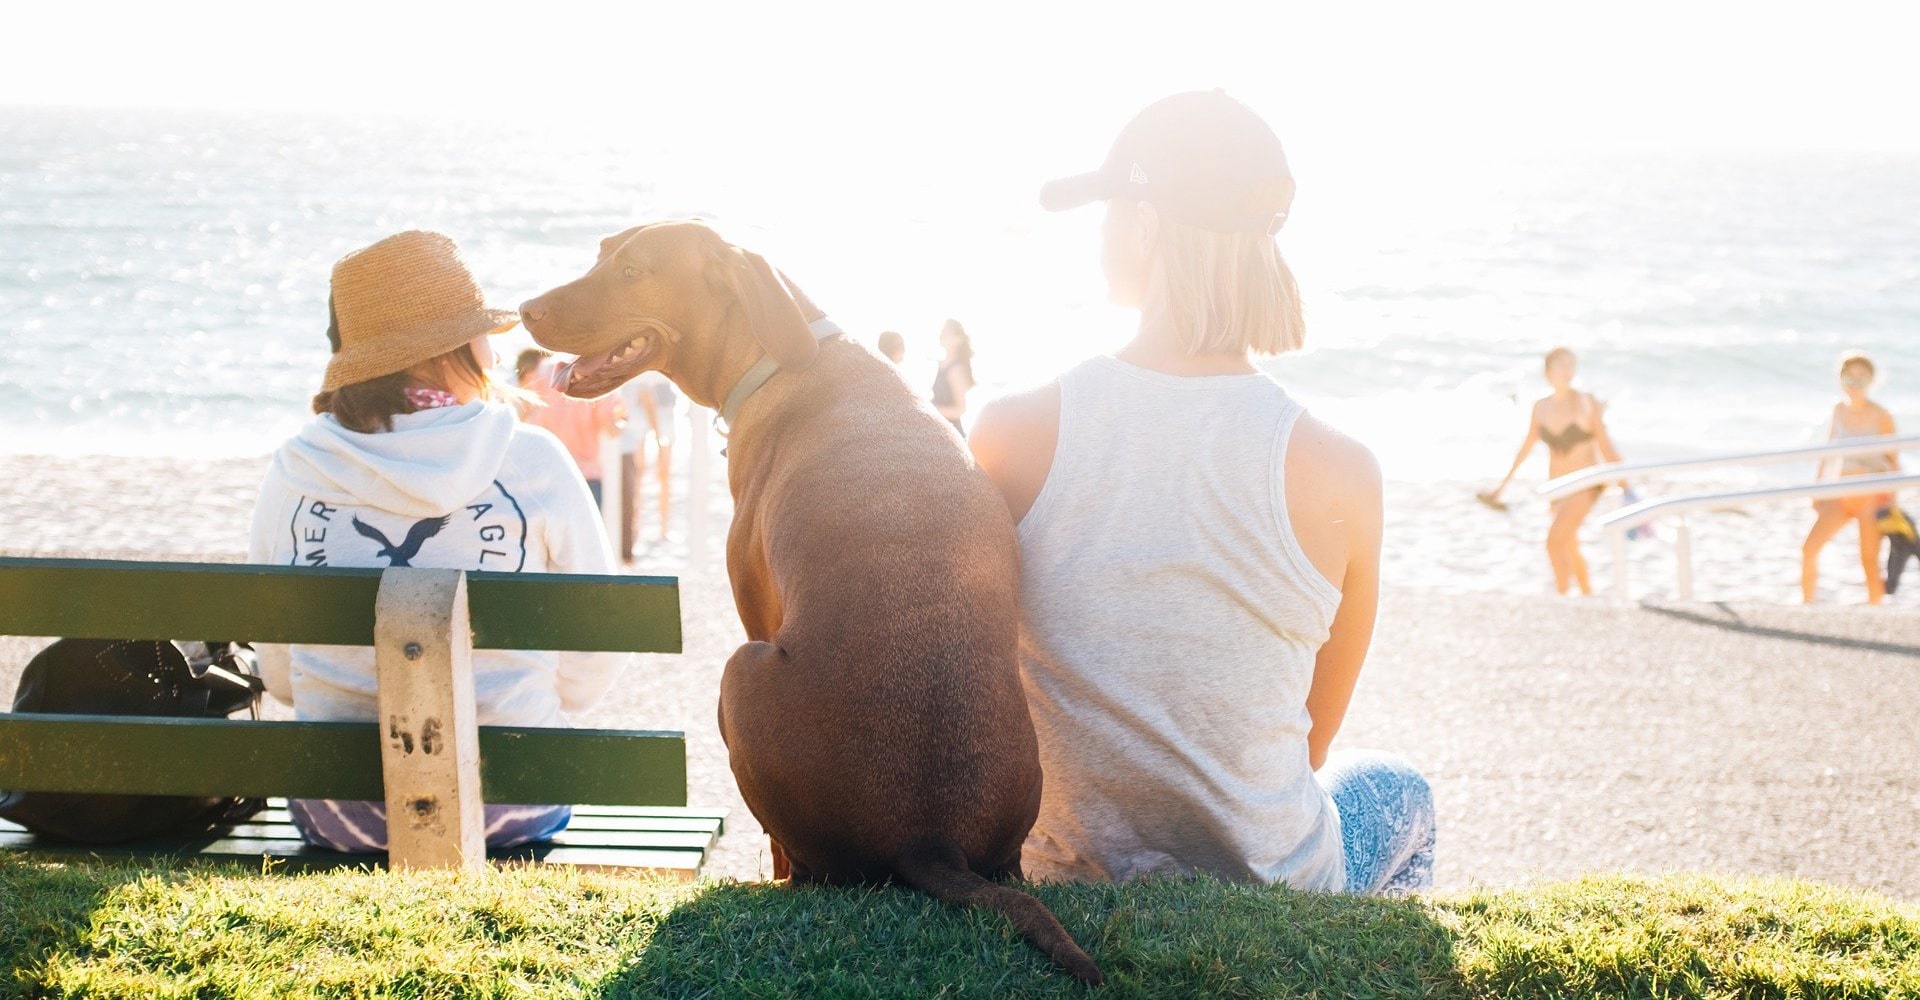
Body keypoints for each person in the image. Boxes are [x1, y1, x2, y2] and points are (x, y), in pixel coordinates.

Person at [969, 91, 1433, 894]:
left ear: (1146, 225)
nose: (1101, 232)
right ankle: (1362, 958)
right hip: (1274, 885)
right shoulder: (1343, 472)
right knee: (1403, 791)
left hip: (1064, 874)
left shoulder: (1012, 431)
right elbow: (1310, 745)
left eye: (1109, 211)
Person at [247, 230, 627, 852]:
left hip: (339, 809)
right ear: (456, 348)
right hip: (513, 797)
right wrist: (537, 701)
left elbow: (281, 676)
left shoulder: (297, 467)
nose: (493, 349)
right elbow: (600, 638)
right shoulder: (531, 458)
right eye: (481, 333)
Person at [1479, 347, 1622, 596]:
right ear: (1548, 371)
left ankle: (1562, 598)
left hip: (1585, 484)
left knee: (1554, 542)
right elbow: (1525, 449)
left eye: (1571, 365)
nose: (1568, 370)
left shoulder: (1586, 402)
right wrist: (1502, 487)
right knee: (1569, 544)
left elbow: (1605, 444)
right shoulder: (1540, 407)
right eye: (1562, 364)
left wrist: (1626, 486)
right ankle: (1587, 595)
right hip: (1556, 487)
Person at [1803, 352, 1899, 604]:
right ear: (1841, 379)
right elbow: (1827, 453)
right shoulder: (1838, 410)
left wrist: (1893, 501)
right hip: (1841, 492)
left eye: (1861, 378)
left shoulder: (1882, 415)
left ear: (1871, 381)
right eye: (1849, 377)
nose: (1855, 384)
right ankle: (1806, 607)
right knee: (1809, 548)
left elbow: (1893, 462)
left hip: (1871, 496)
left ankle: (1876, 612)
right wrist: (1817, 490)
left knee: (1868, 560)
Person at [518, 348, 624, 507]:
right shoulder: (601, 373)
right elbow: (613, 430)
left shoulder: (544, 369)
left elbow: (522, 412)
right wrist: (623, 418)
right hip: (586, 477)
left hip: (548, 474)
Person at [932, 319, 974, 434]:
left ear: (959, 339)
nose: (942, 336)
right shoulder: (942, 364)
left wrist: (933, 409)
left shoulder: (956, 369)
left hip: (950, 431)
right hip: (940, 428)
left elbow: (960, 409)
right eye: (942, 332)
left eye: (947, 333)